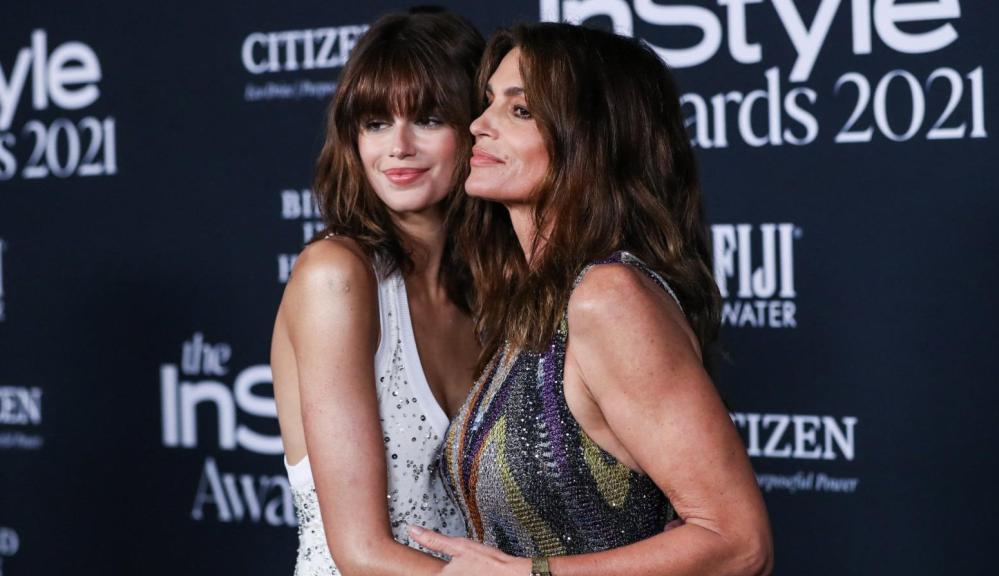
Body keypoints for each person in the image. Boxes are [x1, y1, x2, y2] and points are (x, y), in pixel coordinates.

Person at [411, 23, 773, 576]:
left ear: (590, 138)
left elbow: (739, 543)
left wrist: (531, 575)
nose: (479, 126)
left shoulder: (608, 297)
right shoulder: (536, 302)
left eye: (521, 111)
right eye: (487, 104)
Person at [270, 9, 483, 575]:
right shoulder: (336, 276)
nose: (399, 147)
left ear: (476, 127)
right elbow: (360, 551)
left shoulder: (493, 296)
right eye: (375, 123)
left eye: (430, 118)